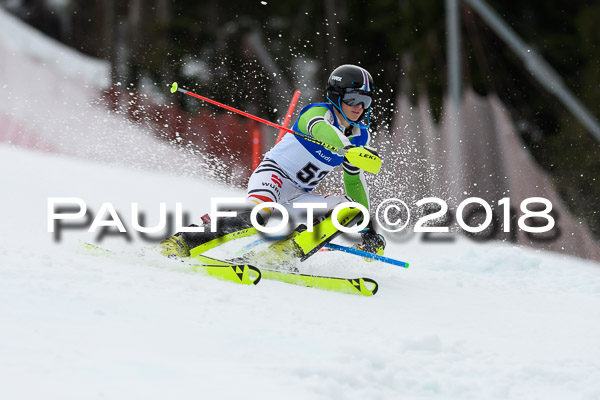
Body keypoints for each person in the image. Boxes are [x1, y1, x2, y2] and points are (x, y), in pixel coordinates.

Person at [160, 64, 385, 267]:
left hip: (299, 195)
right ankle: (182, 242)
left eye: (366, 101)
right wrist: (348, 149)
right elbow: (320, 131)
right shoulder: (317, 113)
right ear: (336, 96)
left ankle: (282, 254)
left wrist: (368, 230)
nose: (359, 107)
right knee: (257, 216)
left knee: (351, 209)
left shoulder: (359, 136)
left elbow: (354, 181)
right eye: (353, 99)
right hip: (274, 176)